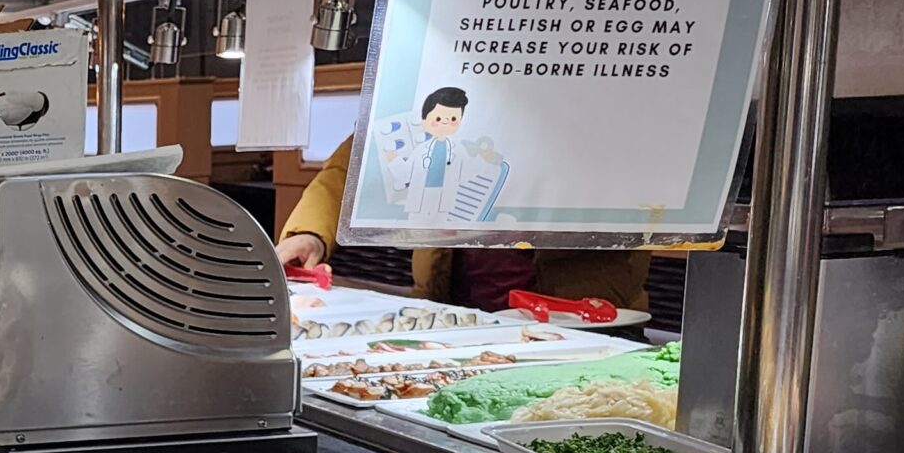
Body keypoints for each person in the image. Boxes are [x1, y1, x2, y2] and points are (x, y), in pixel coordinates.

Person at [276, 136, 653, 312]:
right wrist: (311, 233)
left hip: (585, 316)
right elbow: (366, 157)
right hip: (452, 311)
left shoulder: (605, 93)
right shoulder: (452, 76)